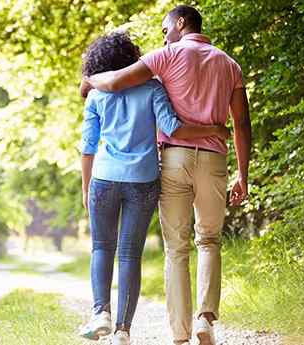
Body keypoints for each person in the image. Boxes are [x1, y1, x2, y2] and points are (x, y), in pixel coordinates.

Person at [80, 5, 252, 345]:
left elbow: (110, 90)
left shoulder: (164, 57)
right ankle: (203, 319)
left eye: (165, 28)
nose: (163, 34)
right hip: (205, 162)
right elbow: (242, 124)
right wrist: (242, 172)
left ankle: (177, 332)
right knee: (208, 241)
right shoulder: (228, 64)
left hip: (166, 162)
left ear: (181, 23)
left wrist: (88, 82)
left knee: (173, 248)